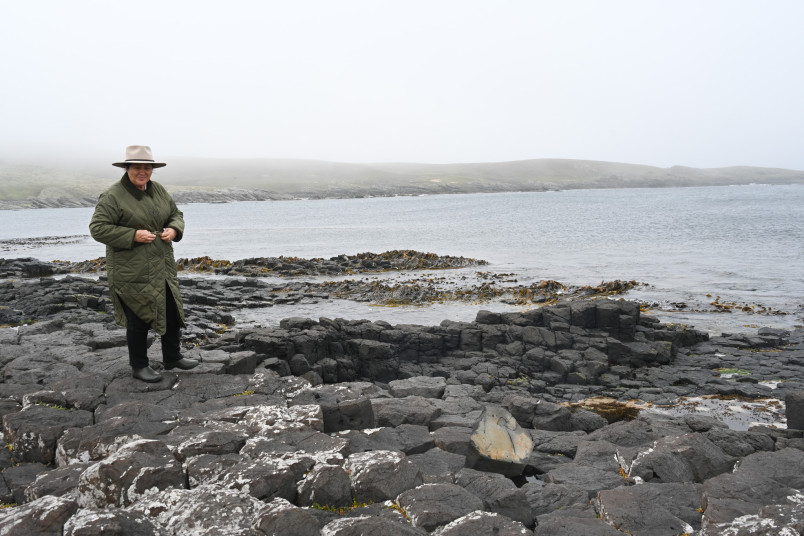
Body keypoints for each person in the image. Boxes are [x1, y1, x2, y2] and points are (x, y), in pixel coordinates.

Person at [90, 145, 198, 382]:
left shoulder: (157, 190)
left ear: (152, 169)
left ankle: (173, 357)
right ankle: (139, 366)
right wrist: (132, 236)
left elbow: (175, 213)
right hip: (131, 269)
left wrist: (174, 229)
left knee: (170, 310)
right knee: (138, 318)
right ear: (127, 168)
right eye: (137, 167)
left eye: (147, 168)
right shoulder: (113, 196)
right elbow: (98, 229)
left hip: (162, 265)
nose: (143, 172)